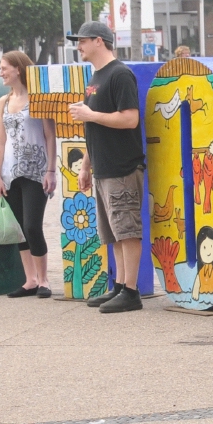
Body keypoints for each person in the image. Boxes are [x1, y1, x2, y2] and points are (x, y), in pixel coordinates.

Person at [67, 19, 146, 311]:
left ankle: (132, 291)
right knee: (113, 232)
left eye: (83, 40)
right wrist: (86, 165)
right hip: (102, 166)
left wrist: (90, 115)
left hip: (122, 165)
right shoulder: (96, 77)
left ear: (99, 41)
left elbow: (130, 119)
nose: (79, 46)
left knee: (127, 228)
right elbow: (93, 127)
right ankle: (121, 286)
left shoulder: (120, 74)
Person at [0, 50, 57, 297]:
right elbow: (0, 140)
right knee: (19, 227)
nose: (1, 73)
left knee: (32, 225)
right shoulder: (3, 102)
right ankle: (29, 279)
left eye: (4, 68)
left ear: (18, 69)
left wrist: (51, 170)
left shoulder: (38, 99)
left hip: (36, 170)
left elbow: (50, 135)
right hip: (11, 171)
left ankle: (44, 279)